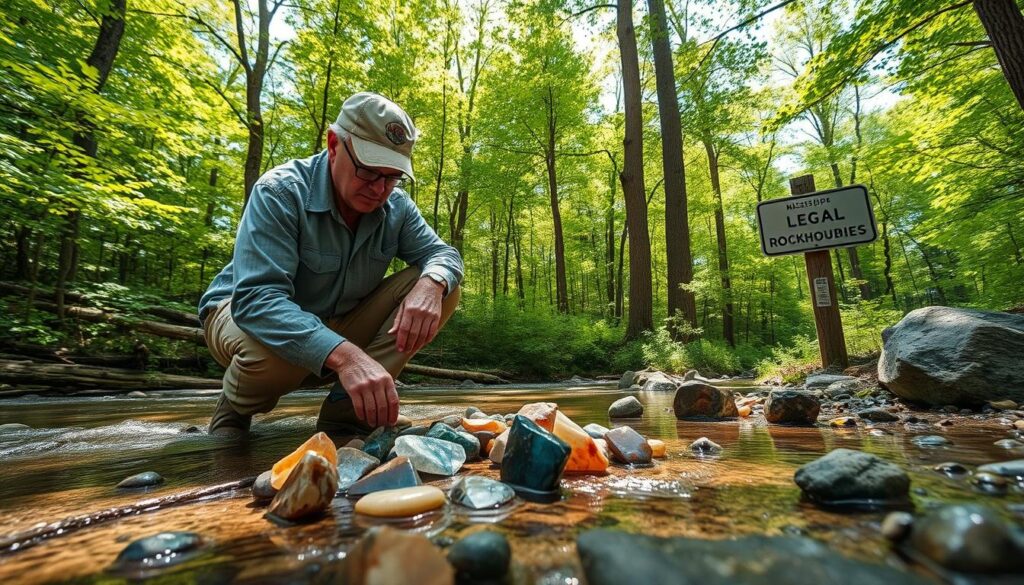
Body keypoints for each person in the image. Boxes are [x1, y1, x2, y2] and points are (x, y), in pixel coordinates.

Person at [198, 92, 463, 438]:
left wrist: (432, 284)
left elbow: (445, 255)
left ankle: (348, 411)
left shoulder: (396, 206)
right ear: (335, 144)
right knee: (281, 348)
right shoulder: (280, 191)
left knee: (444, 286)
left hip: (335, 322)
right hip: (238, 313)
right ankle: (236, 406)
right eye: (369, 171)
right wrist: (347, 356)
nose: (380, 188)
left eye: (393, 176)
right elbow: (257, 300)